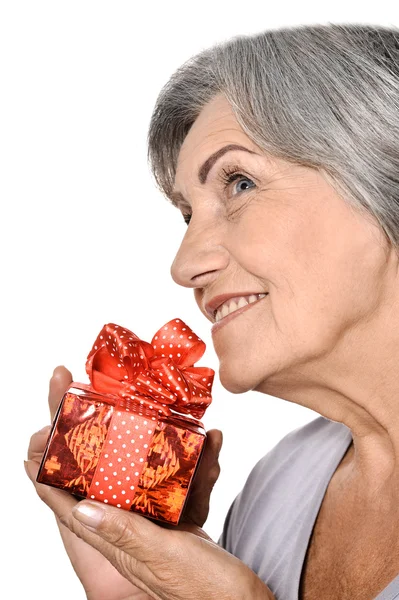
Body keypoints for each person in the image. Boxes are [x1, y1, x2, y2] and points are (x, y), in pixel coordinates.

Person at [25, 21, 399, 600]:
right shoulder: (278, 486)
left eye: (240, 183)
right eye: (186, 215)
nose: (184, 265)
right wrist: (138, 591)